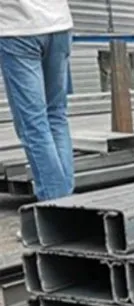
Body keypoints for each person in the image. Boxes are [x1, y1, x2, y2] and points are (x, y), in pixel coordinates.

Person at [0, 1, 74, 201]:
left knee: (33, 123)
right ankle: (66, 200)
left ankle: (56, 205)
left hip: (19, 29)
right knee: (56, 116)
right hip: (59, 25)